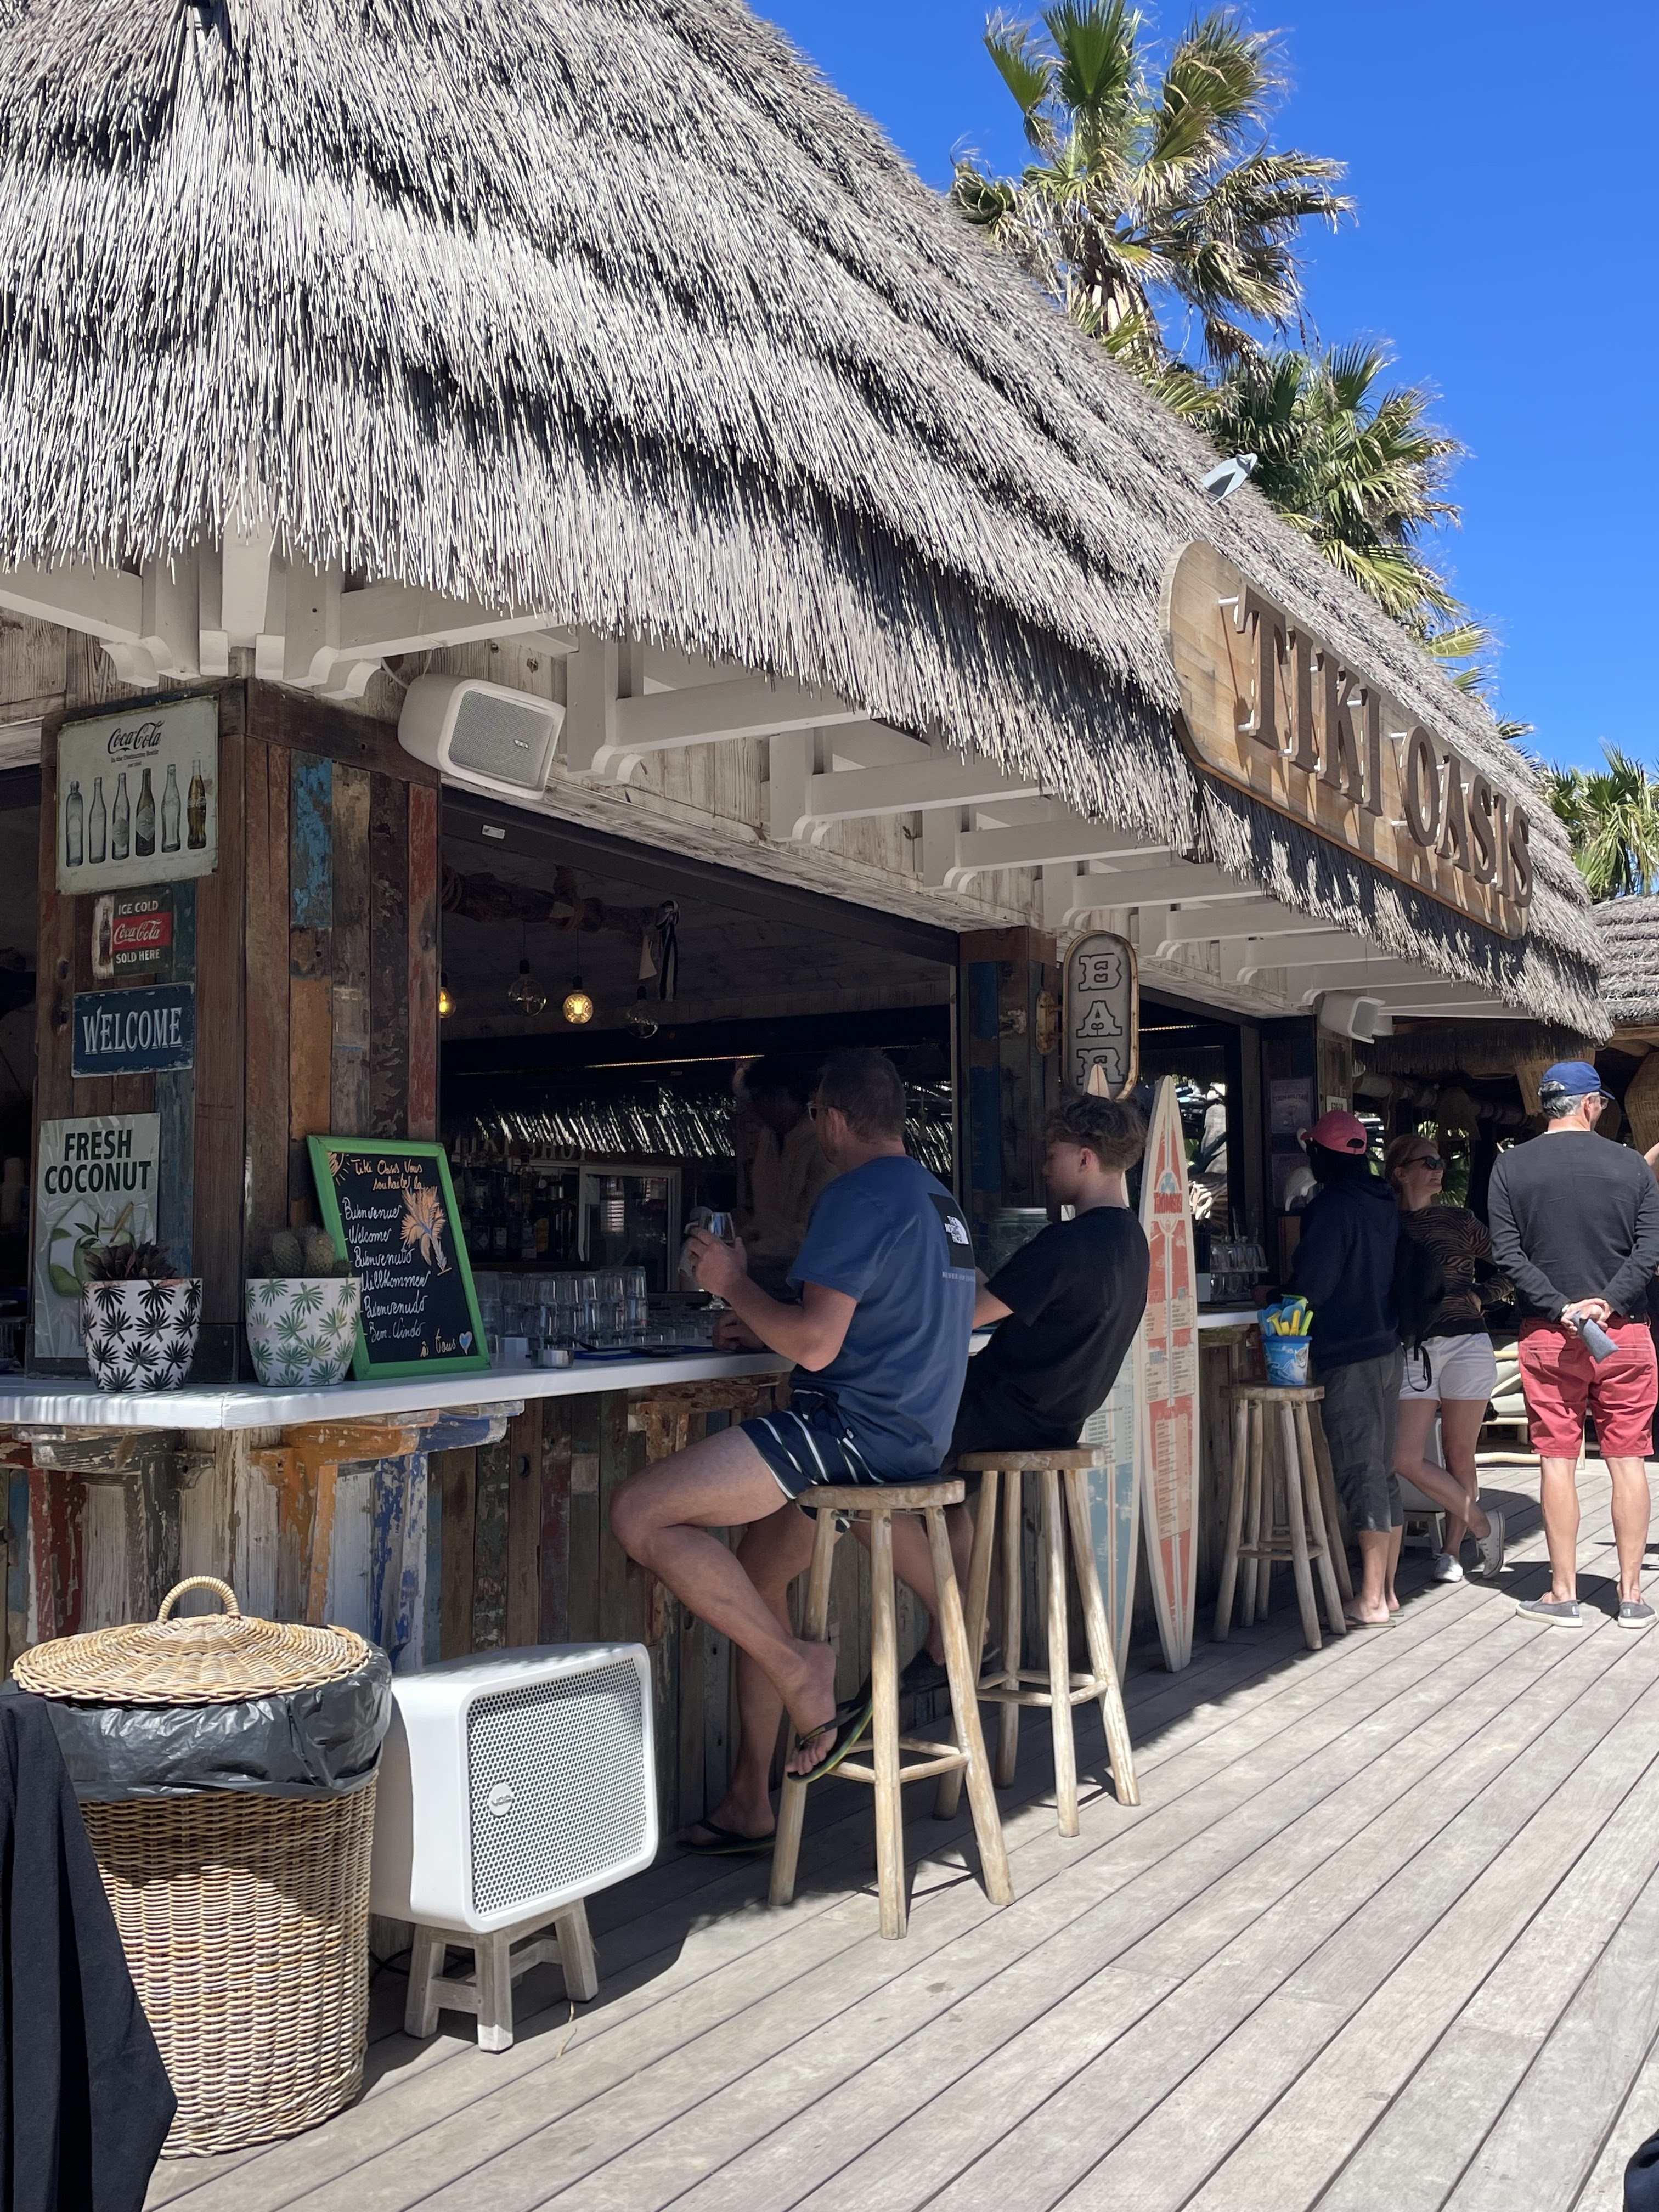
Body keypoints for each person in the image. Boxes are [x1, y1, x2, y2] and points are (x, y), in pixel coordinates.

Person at [610, 1047, 977, 1851]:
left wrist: (733, 1284)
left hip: (848, 1437)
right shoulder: (938, 1201)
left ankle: (798, 1668)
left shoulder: (856, 1195)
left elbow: (814, 1346)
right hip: (911, 1440)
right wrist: (763, 1320)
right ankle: (751, 1797)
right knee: (757, 1576)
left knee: (640, 1514)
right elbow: (871, 1326)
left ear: (832, 1120)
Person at [1486, 1060, 1659, 1628]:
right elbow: (1650, 1249)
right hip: (1624, 1333)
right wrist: (1606, 1303)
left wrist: (1560, 1305)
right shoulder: (1631, 1165)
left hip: (1549, 1334)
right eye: (1603, 1103)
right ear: (1589, 1104)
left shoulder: (1510, 1166)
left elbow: (1507, 1253)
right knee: (1628, 1459)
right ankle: (1632, 1595)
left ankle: (1563, 1593)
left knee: (1558, 1460)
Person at [1288, 1110, 1403, 1627]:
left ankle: (1372, 1599)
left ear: (1318, 1154)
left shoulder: (1330, 1206)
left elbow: (1313, 1286)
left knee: (1360, 1472)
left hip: (1348, 1355)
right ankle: (1388, 1591)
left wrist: (1275, 1294)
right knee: (1382, 1470)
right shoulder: (1383, 1199)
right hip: (1387, 1347)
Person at [1383, 1133, 1507, 1584]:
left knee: (1459, 1455)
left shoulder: (1459, 1219)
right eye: (1429, 1162)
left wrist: (1484, 1295)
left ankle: (1452, 1552)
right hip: (1413, 1346)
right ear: (1401, 1172)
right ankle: (1483, 1525)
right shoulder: (1386, 1223)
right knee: (1405, 1457)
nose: (1439, 1169)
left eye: (1442, 1161)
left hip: (1467, 1342)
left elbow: (1513, 1262)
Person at [732, 1054, 836, 1296]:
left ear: (780, 1095)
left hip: (806, 1287)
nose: (754, 1108)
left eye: (758, 1098)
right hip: (761, 1283)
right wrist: (743, 1238)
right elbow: (763, 1216)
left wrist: (746, 1251)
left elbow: (813, 1235)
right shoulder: (768, 1138)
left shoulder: (820, 1147)